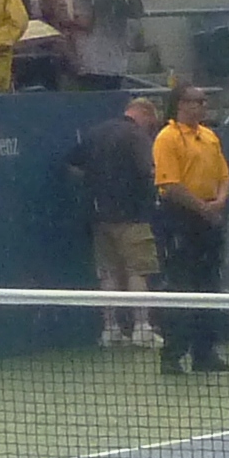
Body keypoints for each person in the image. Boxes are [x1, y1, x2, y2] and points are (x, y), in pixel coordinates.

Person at [150, 81, 229, 375]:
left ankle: (205, 354)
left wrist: (217, 204)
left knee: (209, 285)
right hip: (179, 219)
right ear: (180, 105)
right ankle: (172, 355)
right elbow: (170, 184)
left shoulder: (210, 136)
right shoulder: (166, 138)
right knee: (181, 287)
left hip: (209, 219)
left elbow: (224, 175)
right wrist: (202, 208)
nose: (201, 106)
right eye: (195, 101)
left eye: (203, 102)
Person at [65, 96, 162, 348]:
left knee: (107, 273)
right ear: (146, 115)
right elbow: (147, 172)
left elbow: (72, 164)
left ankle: (111, 329)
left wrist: (95, 185)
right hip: (133, 215)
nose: (150, 129)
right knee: (137, 271)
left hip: (99, 217)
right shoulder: (137, 136)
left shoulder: (95, 133)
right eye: (151, 124)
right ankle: (142, 328)